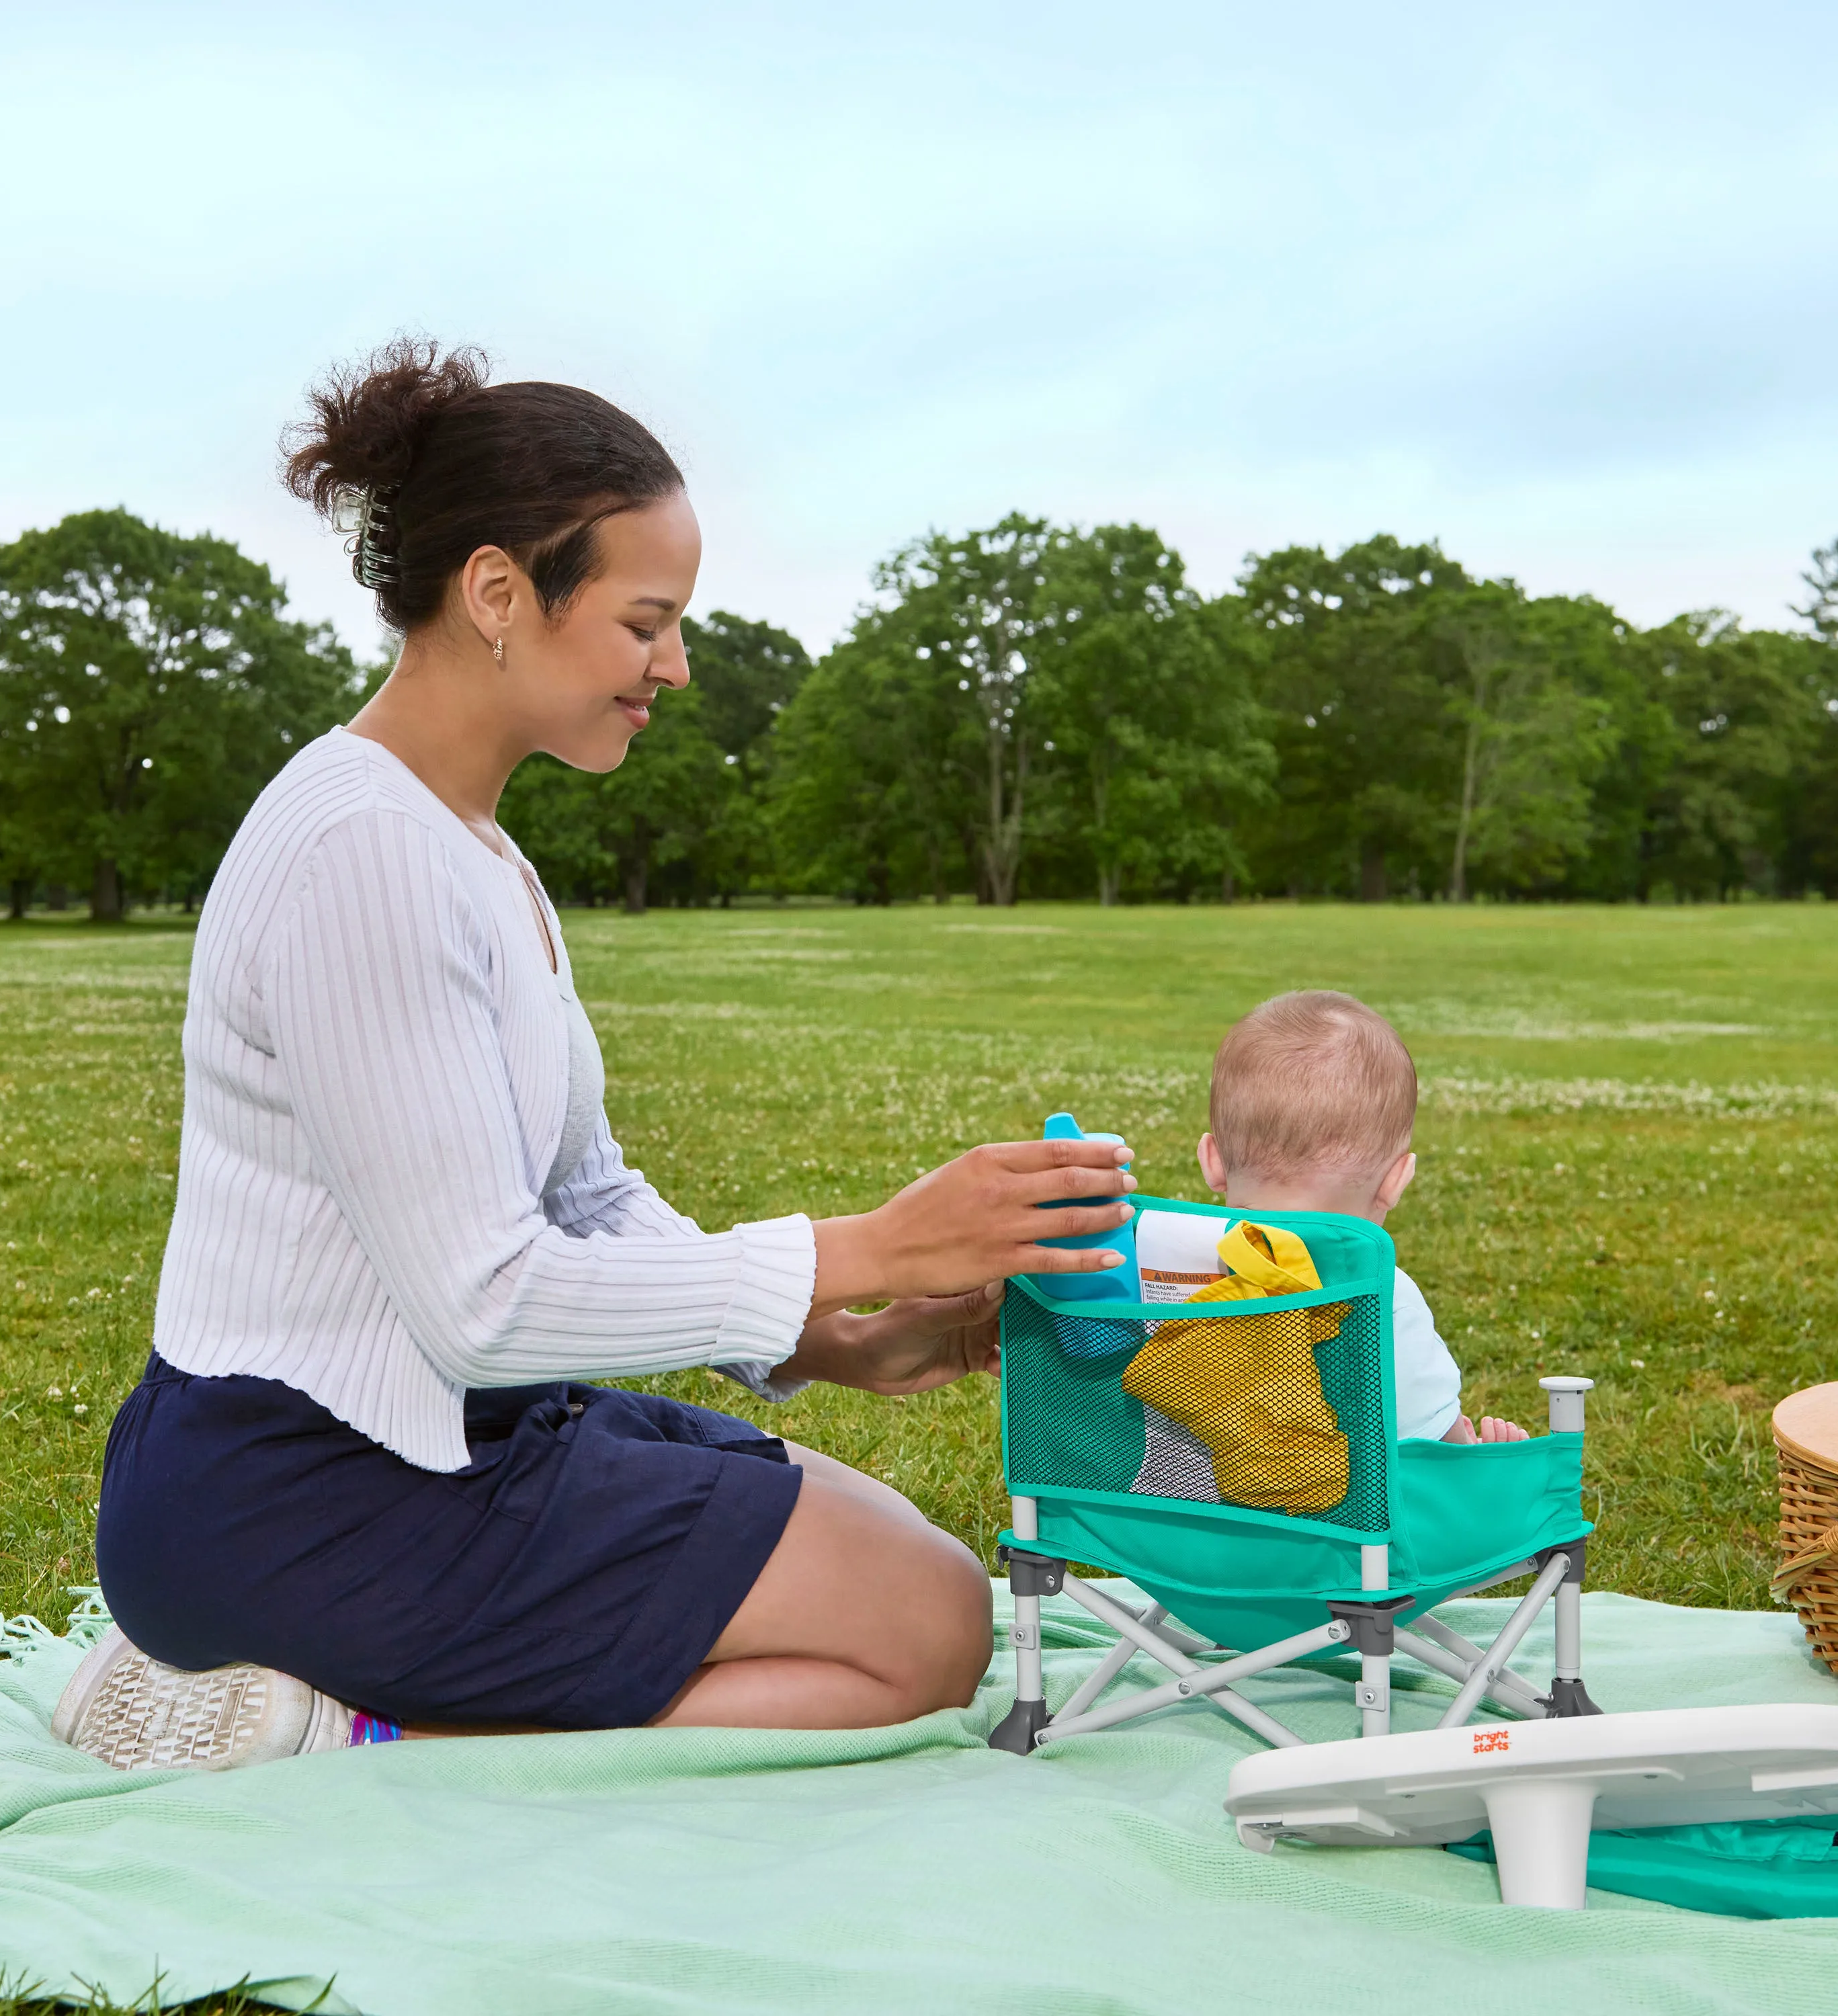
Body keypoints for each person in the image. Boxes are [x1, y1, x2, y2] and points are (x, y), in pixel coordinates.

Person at [62, 340, 1136, 1771]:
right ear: (500, 594)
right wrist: (865, 1246)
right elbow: (485, 1303)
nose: (676, 667)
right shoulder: (360, 854)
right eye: (647, 623)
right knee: (925, 1637)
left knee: (929, 1597)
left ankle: (345, 1700)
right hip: (297, 1491)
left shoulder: (472, 850)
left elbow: (585, 1194)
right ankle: (323, 1723)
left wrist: (821, 1339)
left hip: (456, 1434)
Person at [1136, 989, 1524, 1458]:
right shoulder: (1383, 1299)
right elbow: (1434, 1463)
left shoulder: (1148, 1267)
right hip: (1337, 1531)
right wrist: (1480, 1454)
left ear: (1212, 1161)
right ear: (1396, 1181)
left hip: (1162, 1523)